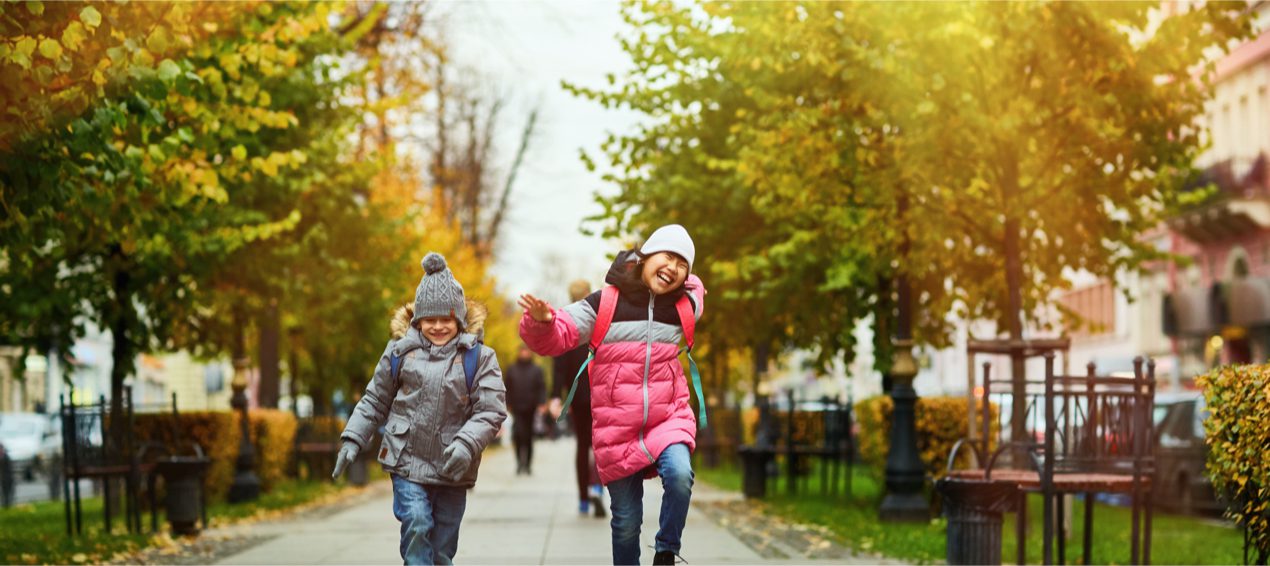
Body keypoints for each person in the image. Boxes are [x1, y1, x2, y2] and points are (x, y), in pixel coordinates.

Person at [518, 224, 706, 566]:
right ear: (645, 255)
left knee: (680, 475)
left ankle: (666, 550)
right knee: (625, 525)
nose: (674, 268)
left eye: (683, 263)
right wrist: (542, 321)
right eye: (667, 256)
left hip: (668, 417)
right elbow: (557, 337)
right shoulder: (605, 303)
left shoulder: (683, 307)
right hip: (616, 428)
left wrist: (680, 273)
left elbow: (698, 289)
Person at [333, 252, 508, 566]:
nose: (438, 326)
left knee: (441, 550)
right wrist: (352, 439)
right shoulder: (399, 353)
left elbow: (491, 410)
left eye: (446, 319)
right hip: (406, 460)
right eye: (430, 319)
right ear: (417, 320)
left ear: (459, 319)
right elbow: (375, 400)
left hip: (453, 466)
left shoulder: (479, 358)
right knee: (417, 524)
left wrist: (467, 444)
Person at [552, 279, 606, 518]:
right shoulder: (601, 320)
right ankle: (597, 486)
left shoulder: (565, 322)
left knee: (582, 445)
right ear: (588, 293)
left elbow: (559, 365)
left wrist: (557, 395)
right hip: (602, 391)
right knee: (601, 442)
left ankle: (583, 498)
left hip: (577, 396)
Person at [504, 343, 546, 475]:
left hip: (531, 408)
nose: (524, 353)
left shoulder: (536, 369)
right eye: (522, 351)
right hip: (516, 407)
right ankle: (518, 463)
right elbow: (506, 388)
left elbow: (541, 387)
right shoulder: (512, 369)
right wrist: (507, 403)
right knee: (517, 436)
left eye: (527, 351)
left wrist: (541, 403)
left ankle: (527, 465)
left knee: (528, 437)